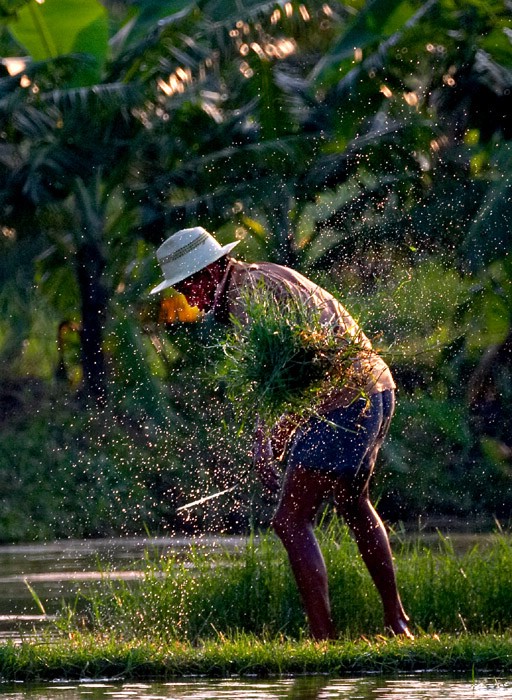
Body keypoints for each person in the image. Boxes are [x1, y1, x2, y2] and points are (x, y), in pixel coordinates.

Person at [150, 226, 413, 641]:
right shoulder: (260, 278)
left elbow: (299, 372)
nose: (190, 301)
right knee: (353, 504)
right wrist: (270, 436)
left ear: (206, 273)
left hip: (344, 398)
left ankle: (322, 641)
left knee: (290, 521)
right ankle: (397, 624)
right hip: (376, 387)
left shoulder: (247, 298)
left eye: (187, 289)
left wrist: (271, 439)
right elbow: (283, 378)